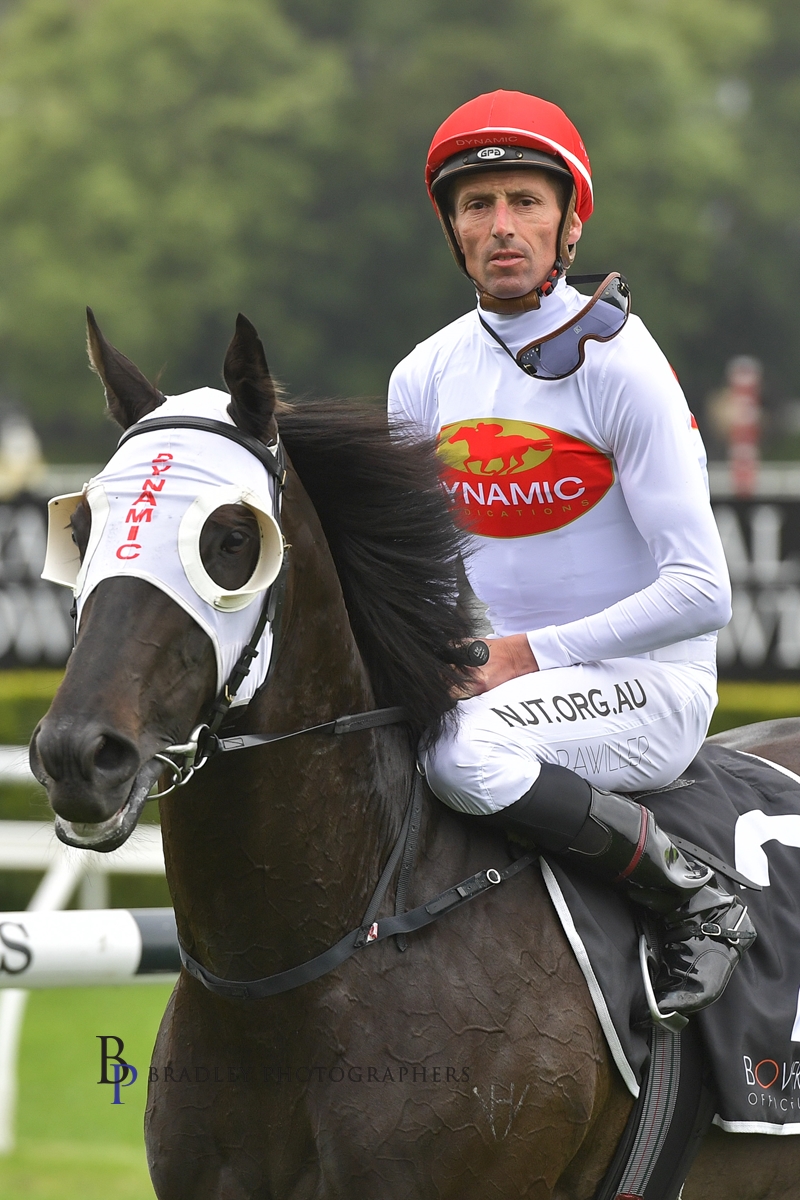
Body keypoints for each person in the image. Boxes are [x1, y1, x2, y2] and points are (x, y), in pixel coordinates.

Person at [388, 90, 755, 1017]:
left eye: (526, 201)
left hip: (647, 687)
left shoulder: (624, 365)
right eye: (478, 205)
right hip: (497, 678)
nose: (502, 227)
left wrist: (524, 654)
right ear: (452, 230)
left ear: (569, 223)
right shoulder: (422, 375)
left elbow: (704, 592)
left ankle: (693, 896)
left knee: (461, 757)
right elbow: (416, 575)